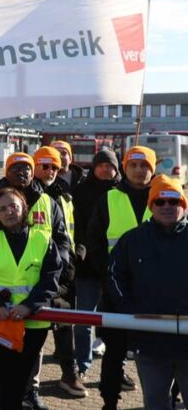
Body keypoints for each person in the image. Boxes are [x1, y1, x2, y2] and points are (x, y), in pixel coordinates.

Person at [0, 187, 61, 410]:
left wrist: (29, 306)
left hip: (33, 321)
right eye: (2, 209)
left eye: (13, 206)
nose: (9, 211)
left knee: (22, 377)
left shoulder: (43, 238)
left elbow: (52, 278)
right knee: (8, 375)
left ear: (23, 209)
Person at [109, 175, 188, 410]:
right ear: (151, 205)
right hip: (150, 343)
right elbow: (114, 275)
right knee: (155, 403)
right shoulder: (133, 240)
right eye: (160, 201)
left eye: (173, 201)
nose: (166, 206)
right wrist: (130, 310)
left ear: (183, 205)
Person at [87, 145, 156, 410]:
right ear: (125, 167)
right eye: (134, 165)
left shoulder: (164, 197)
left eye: (145, 165)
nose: (139, 170)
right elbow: (94, 241)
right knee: (114, 352)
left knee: (158, 355)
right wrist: (108, 276)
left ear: (152, 168)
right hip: (117, 290)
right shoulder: (109, 198)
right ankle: (109, 401)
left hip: (156, 293)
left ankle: (163, 400)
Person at [32, 147, 86, 398]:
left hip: (63, 273)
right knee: (35, 332)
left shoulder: (65, 195)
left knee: (65, 327)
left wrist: (71, 259)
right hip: (33, 273)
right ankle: (28, 385)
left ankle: (69, 374)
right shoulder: (26, 193)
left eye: (54, 167)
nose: (49, 171)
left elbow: (68, 234)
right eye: (44, 166)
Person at [72, 148, 120, 377]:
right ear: (94, 166)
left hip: (117, 270)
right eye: (101, 164)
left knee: (117, 323)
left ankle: (116, 369)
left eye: (110, 165)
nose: (105, 169)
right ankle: (82, 364)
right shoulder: (80, 192)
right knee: (83, 321)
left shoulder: (124, 192)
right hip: (87, 268)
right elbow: (77, 226)